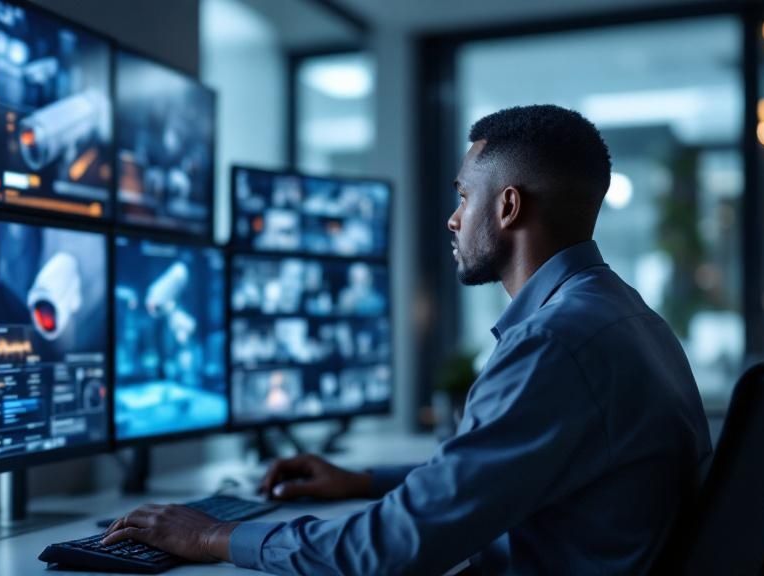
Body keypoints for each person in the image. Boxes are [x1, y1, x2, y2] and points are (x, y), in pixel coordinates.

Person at [101, 105, 712, 575]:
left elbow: (392, 551)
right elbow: (498, 469)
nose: (453, 218)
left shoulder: (553, 341)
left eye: (463, 196)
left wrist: (213, 536)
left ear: (507, 207)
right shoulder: (622, 314)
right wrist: (363, 482)